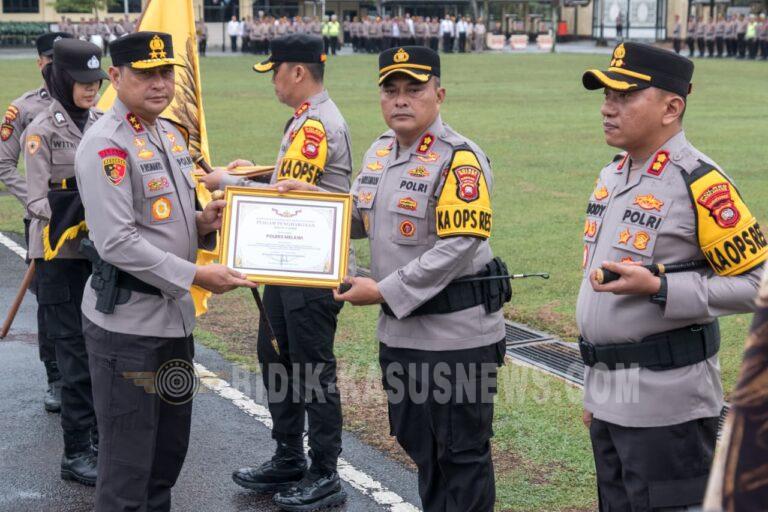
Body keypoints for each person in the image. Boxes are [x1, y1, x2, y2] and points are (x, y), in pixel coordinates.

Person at [580, 42, 766, 510]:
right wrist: (595, 390)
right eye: (606, 95)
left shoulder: (700, 182)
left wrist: (661, 287)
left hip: (667, 407)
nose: (607, 108)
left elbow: (757, 283)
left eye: (624, 96)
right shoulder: (612, 174)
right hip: (610, 395)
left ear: (671, 107)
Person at [75, 31, 255, 511]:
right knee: (128, 466)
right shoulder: (106, 145)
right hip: (128, 328)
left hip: (172, 323)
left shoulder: (167, 134)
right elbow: (117, 242)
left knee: (165, 457)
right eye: (145, 74)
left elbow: (161, 220)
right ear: (116, 77)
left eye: (165, 72)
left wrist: (202, 222)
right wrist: (197, 275)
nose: (159, 83)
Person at [333, 45, 506, 512]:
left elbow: (459, 244)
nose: (401, 99)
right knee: (422, 449)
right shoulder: (379, 152)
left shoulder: (460, 159)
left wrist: (383, 290)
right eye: (391, 90)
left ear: (439, 95)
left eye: (414, 89)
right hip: (402, 335)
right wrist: (310, 204)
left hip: (456, 339)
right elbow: (357, 219)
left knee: (461, 455)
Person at [200, 34, 352, 512]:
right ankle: (289, 456)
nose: (273, 82)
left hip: (310, 269)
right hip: (288, 265)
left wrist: (229, 182)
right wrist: (255, 172)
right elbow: (290, 181)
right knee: (276, 357)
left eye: (276, 71)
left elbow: (290, 199)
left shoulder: (316, 124)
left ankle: (324, 472)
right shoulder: (307, 119)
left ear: (298, 72)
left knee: (311, 368)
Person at [25, 37, 107, 487]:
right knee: (73, 354)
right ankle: (76, 452)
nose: (91, 88)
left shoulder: (102, 123)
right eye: (82, 80)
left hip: (98, 255)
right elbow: (37, 200)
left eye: (96, 80)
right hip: (59, 256)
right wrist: (82, 210)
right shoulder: (42, 129)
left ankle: (96, 440)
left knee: (99, 349)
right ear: (60, 78)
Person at [1, 32, 75, 413]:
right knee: (51, 303)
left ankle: (86, 375)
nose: (56, 65)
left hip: (87, 223)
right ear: (40, 62)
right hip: (44, 223)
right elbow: (3, 164)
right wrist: (37, 201)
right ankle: (56, 377)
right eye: (51, 58)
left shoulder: (90, 104)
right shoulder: (24, 108)